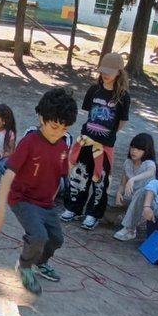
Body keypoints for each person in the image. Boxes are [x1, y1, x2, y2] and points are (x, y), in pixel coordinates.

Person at [0, 87, 78, 296]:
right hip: (23, 199)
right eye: (54, 126)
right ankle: (25, 266)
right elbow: (8, 175)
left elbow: (63, 173)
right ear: (41, 117)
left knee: (56, 239)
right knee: (38, 236)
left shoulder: (63, 146)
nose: (58, 132)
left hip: (46, 203)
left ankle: (40, 262)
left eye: (64, 129)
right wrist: (0, 211)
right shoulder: (29, 143)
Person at [61, 53, 130, 229]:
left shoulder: (123, 96)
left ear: (119, 72)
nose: (105, 75)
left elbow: (121, 123)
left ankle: (93, 214)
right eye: (103, 71)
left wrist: (105, 134)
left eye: (109, 72)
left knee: (100, 181)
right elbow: (88, 113)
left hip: (104, 145)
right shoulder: (94, 90)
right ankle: (73, 208)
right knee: (79, 175)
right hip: (86, 141)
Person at [112, 133, 158, 242]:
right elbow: (122, 184)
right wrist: (119, 192)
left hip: (148, 201)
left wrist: (133, 179)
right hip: (132, 196)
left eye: (139, 149)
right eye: (133, 147)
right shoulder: (128, 162)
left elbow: (151, 172)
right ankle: (110, 218)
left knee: (141, 191)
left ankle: (130, 229)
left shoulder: (149, 164)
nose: (134, 151)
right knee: (111, 195)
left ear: (146, 151)